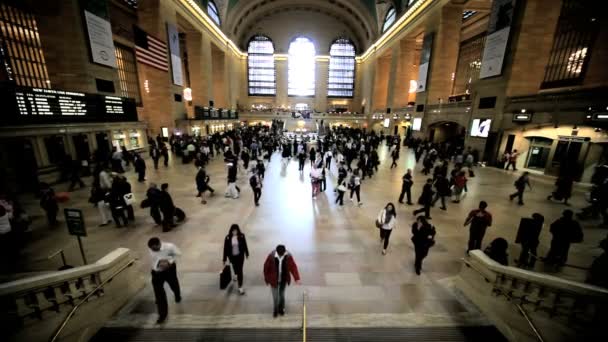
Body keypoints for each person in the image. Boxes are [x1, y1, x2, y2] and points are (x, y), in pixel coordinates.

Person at [148, 237, 181, 324]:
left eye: (155, 249)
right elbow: (153, 259)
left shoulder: (169, 246)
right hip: (156, 272)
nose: (153, 250)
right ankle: (162, 314)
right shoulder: (151, 248)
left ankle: (177, 295)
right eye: (152, 249)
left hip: (169, 270)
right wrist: (158, 265)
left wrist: (169, 261)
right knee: (159, 293)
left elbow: (178, 253)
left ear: (159, 244)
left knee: (173, 284)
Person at [263, 245, 301, 317]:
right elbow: (266, 267)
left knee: (281, 295)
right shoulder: (271, 257)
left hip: (283, 279)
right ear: (277, 252)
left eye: (282, 254)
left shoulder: (288, 256)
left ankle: (281, 308)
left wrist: (297, 278)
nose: (281, 256)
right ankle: (275, 309)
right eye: (280, 255)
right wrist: (267, 278)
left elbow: (293, 267)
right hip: (274, 280)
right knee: (275, 297)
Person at [223, 224, 249, 295]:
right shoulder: (228, 238)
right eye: (233, 231)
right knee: (235, 268)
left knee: (240, 270)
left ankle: (240, 287)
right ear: (231, 231)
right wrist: (224, 259)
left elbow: (245, 245)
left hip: (240, 257)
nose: (234, 232)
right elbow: (225, 249)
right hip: (232, 257)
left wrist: (247, 253)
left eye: (236, 231)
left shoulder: (241, 236)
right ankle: (235, 274)